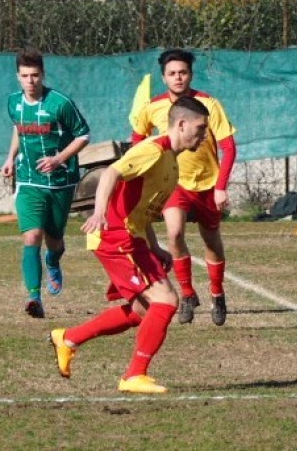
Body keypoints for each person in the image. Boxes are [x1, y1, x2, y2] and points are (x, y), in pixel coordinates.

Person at [49, 96, 209, 394]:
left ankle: (68, 338)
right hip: (115, 236)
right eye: (200, 128)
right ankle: (134, 375)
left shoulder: (171, 162)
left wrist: (155, 246)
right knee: (166, 301)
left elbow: (140, 209)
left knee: (141, 310)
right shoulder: (152, 150)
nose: (203, 135)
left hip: (131, 236)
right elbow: (111, 173)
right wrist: (98, 212)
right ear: (182, 124)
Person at [132, 49, 237, 327]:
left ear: (191, 74)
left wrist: (221, 186)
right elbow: (138, 141)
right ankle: (188, 294)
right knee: (175, 233)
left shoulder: (209, 104)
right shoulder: (153, 107)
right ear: (164, 77)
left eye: (183, 72)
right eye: (172, 73)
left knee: (211, 241)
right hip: (173, 182)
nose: (178, 77)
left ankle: (217, 293)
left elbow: (228, 146)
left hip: (207, 185)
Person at [1, 47, 90, 319]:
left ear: (43, 74)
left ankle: (53, 260)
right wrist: (9, 158)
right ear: (18, 76)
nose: (31, 81)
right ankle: (34, 298)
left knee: (54, 241)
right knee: (32, 236)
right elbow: (18, 128)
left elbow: (83, 135)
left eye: (35, 75)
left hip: (60, 182)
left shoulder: (60, 103)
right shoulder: (13, 103)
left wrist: (59, 158)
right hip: (28, 180)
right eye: (25, 76)